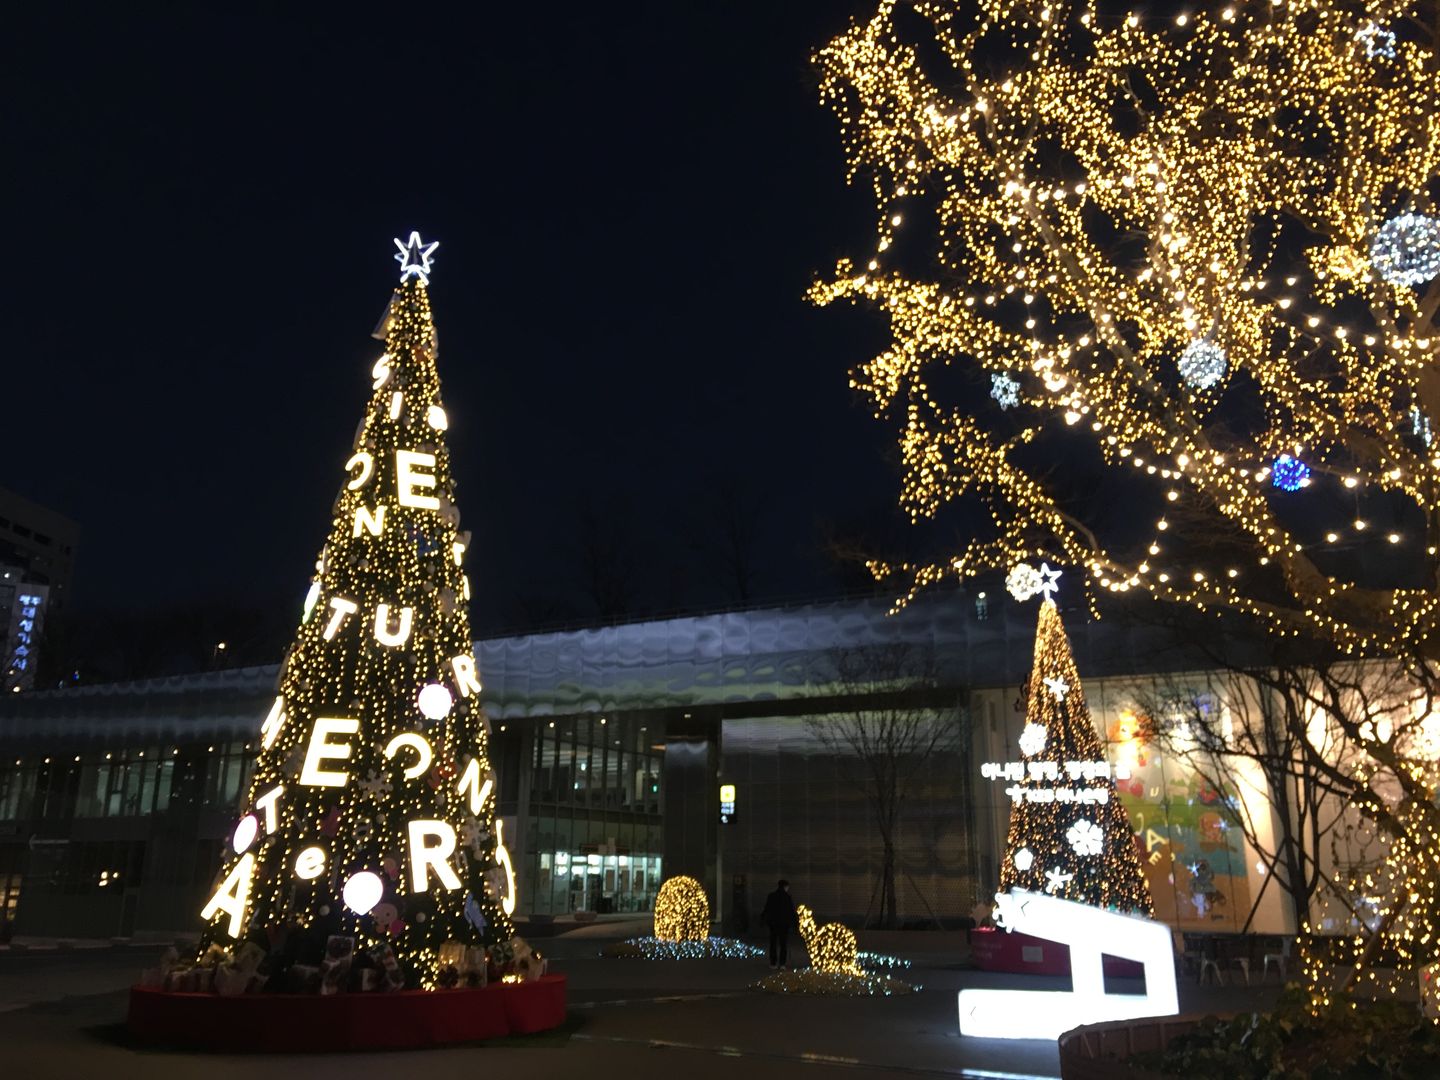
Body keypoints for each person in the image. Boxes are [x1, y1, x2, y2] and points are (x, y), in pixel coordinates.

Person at [761, 879, 796, 968]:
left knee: (773, 943)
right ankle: (782, 963)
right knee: (783, 944)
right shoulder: (787, 897)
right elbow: (791, 911)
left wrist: (763, 920)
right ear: (785, 886)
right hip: (784, 924)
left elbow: (767, 909)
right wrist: (794, 923)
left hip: (773, 923)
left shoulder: (771, 896)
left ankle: (773, 963)